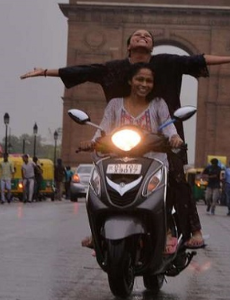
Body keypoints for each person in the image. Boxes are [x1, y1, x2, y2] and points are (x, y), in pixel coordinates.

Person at [22, 29, 230, 248]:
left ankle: (190, 231)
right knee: (102, 181)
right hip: (125, 137)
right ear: (128, 46)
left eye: (147, 36)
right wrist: (45, 72)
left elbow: (197, 60)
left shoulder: (166, 63)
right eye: (137, 35)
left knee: (176, 178)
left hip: (165, 133)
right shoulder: (114, 69)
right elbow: (83, 71)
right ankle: (99, 231)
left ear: (152, 47)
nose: (143, 36)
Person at [79, 63, 184, 255]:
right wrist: (92, 142)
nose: (144, 84)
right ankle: (97, 231)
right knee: (96, 189)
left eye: (149, 80)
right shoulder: (115, 105)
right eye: (139, 79)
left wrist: (174, 138)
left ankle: (167, 231)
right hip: (119, 159)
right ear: (130, 81)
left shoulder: (159, 103)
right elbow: (103, 128)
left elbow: (169, 126)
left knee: (164, 191)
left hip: (152, 160)